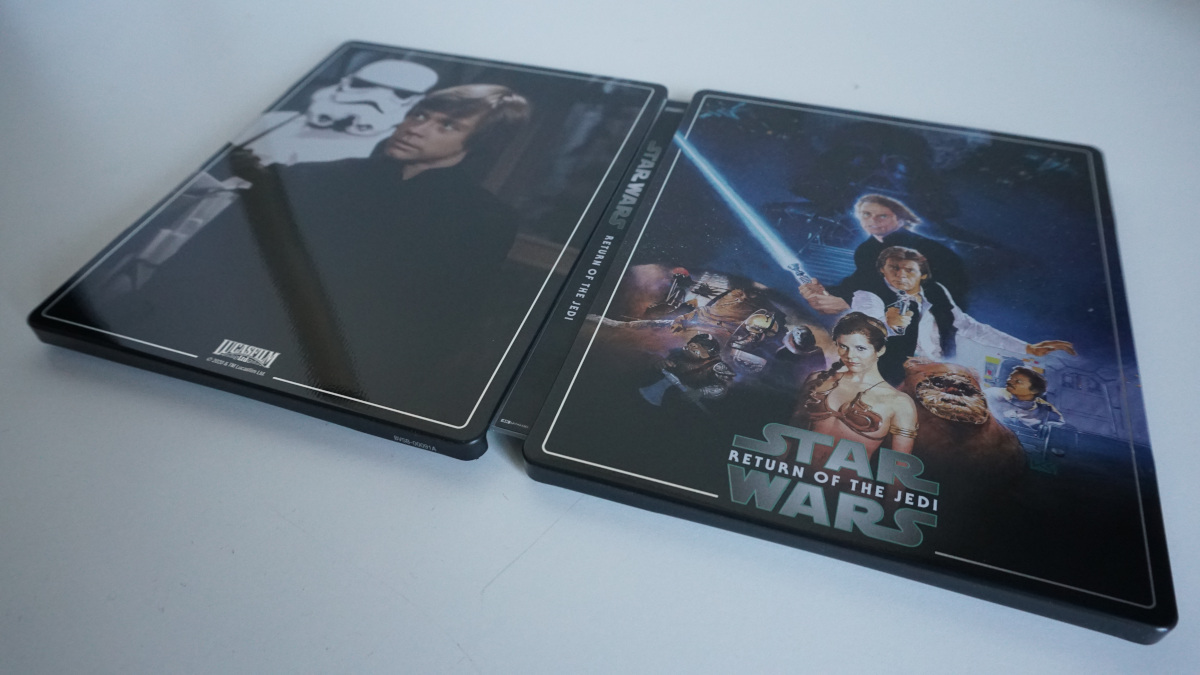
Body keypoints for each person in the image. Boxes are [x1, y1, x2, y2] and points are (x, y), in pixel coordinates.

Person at [100, 84, 533, 421]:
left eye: (447, 126)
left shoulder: (484, 221)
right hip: (206, 354)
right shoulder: (310, 178)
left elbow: (439, 325)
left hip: (335, 385)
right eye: (420, 114)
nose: (415, 127)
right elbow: (203, 265)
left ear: (478, 145)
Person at [846, 246, 1075, 384]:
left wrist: (1028, 348)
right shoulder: (868, 295)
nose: (900, 275)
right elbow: (862, 334)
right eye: (893, 268)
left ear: (923, 275)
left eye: (909, 269)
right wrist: (887, 326)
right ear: (882, 270)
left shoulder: (936, 292)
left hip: (939, 370)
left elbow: (969, 327)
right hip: (889, 375)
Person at [799, 193, 969, 313]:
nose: (872, 220)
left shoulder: (926, 250)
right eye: (866, 214)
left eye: (883, 216)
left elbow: (926, 296)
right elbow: (860, 283)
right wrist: (826, 292)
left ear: (900, 219)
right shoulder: (866, 250)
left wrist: (850, 302)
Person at [793, 312, 919, 461]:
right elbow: (790, 436)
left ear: (880, 350)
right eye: (843, 346)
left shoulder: (900, 403)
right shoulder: (817, 379)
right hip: (796, 472)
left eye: (860, 348)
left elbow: (899, 466)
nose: (850, 355)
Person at [984, 366, 1066, 431]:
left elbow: (1060, 426)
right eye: (1010, 377)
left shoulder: (1046, 409)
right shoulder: (992, 394)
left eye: (1018, 381)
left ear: (1034, 390)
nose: (1009, 381)